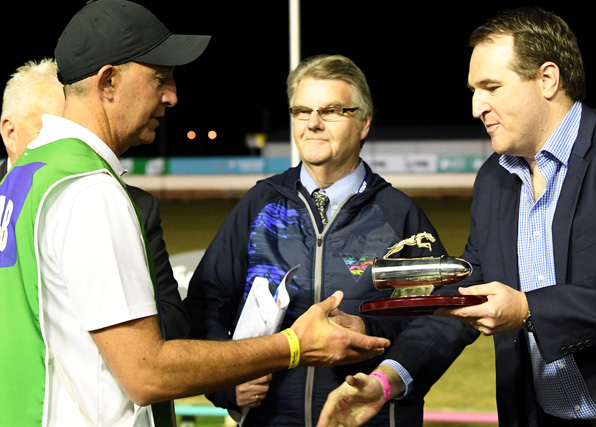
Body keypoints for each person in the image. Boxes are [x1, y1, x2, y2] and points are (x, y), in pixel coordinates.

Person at [0, 2, 390, 426]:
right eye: (159, 78)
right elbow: (147, 372)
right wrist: (294, 345)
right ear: (108, 81)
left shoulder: (25, 175)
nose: (172, 95)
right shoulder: (90, 190)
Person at [318, 7, 596, 427]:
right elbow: (468, 296)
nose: (476, 107)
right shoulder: (494, 178)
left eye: (491, 86)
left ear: (547, 79)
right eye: (473, 90)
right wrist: (386, 379)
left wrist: (529, 310)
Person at [184, 54, 447, 427]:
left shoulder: (399, 215)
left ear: (364, 122)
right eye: (302, 110)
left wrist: (368, 331)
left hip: (368, 417)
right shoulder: (260, 205)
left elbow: (435, 322)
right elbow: (204, 305)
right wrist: (227, 381)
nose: (313, 123)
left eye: (332, 111)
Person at [0, 58, 190, 340]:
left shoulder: (131, 206)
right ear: (10, 133)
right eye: (48, 130)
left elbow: (172, 323)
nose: (61, 142)